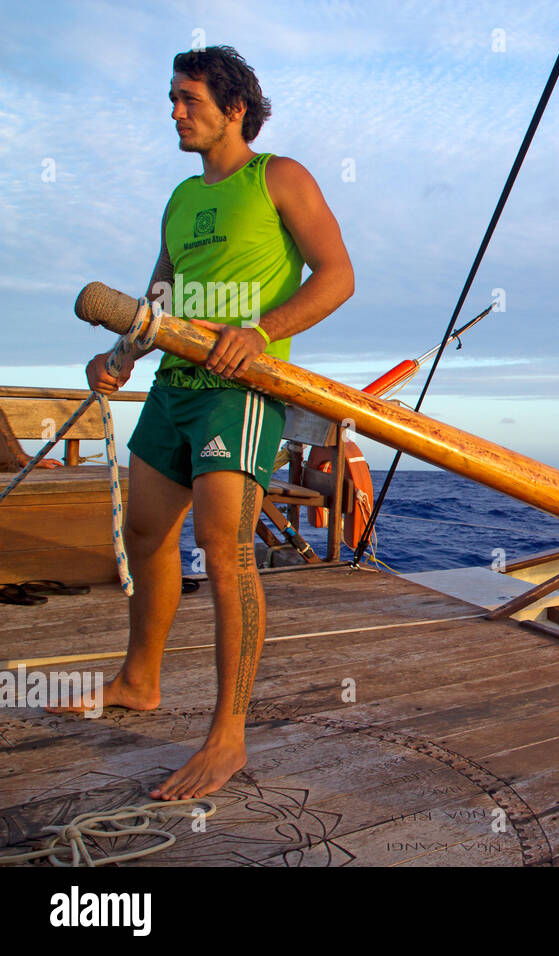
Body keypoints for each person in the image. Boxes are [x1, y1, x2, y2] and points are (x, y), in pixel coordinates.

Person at [51, 46, 354, 802]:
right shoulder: (182, 199)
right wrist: (119, 355)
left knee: (226, 554)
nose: (175, 112)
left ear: (235, 107)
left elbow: (339, 275)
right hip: (174, 383)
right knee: (145, 537)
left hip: (240, 391)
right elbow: (159, 290)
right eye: (172, 99)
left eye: (188, 99)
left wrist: (263, 330)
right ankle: (138, 680)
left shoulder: (278, 177)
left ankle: (227, 737)